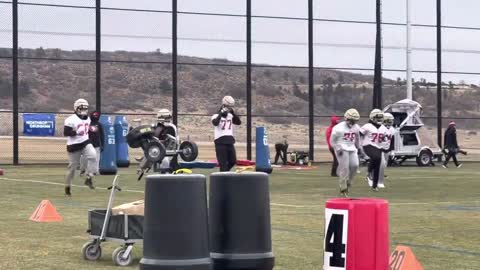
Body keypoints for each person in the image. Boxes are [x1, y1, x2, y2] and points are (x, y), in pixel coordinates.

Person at [63, 99, 97, 196]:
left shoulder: (88, 118)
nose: (84, 110)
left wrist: (92, 129)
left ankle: (88, 177)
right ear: (76, 108)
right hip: (74, 145)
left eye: (85, 109)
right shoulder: (70, 119)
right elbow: (66, 133)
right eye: (81, 108)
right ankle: (67, 188)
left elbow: (89, 127)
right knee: (72, 169)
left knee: (93, 155)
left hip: (85, 142)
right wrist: (76, 132)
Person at [330, 108, 361, 197]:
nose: (353, 122)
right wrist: (337, 148)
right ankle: (343, 187)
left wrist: (359, 148)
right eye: (351, 120)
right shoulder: (338, 128)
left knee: (355, 165)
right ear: (346, 118)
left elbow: (357, 138)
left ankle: (349, 182)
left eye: (354, 120)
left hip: (352, 147)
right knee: (345, 168)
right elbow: (332, 140)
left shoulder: (356, 127)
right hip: (341, 148)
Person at [211, 96, 241, 172]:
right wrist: (221, 114)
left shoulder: (230, 116)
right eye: (228, 107)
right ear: (224, 106)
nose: (229, 108)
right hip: (220, 142)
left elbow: (238, 122)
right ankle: (223, 178)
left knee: (233, 161)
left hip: (229, 141)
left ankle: (225, 173)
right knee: (223, 164)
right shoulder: (215, 116)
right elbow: (215, 123)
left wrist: (232, 112)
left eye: (230, 107)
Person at [362, 109, 385, 192]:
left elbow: (383, 139)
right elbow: (359, 134)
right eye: (377, 118)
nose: (379, 119)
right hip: (368, 145)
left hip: (378, 147)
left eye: (380, 118)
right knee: (375, 157)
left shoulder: (383, 128)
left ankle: (374, 185)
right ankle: (369, 171)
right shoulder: (367, 126)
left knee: (378, 165)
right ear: (372, 118)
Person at [80, 111, 104, 176]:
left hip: (97, 145)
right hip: (88, 144)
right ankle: (84, 171)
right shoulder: (87, 124)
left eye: (97, 115)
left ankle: (95, 171)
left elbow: (102, 136)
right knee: (85, 158)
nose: (95, 116)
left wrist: (103, 145)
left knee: (96, 158)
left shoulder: (99, 125)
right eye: (94, 115)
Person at [378, 112, 395, 188]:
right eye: (389, 121)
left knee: (384, 165)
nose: (391, 122)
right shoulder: (380, 129)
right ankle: (380, 182)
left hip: (387, 149)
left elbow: (392, 140)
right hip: (379, 148)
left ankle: (372, 174)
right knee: (382, 164)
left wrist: (392, 150)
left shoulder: (392, 129)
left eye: (391, 121)